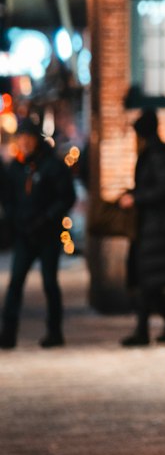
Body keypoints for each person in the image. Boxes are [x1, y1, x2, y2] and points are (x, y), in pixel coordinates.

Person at [0, 119, 77, 350]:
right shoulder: (15, 167)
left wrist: (47, 217)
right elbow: (9, 197)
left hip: (47, 234)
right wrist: (15, 219)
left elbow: (66, 197)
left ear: (36, 140)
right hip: (24, 235)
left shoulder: (52, 166)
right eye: (20, 139)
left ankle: (55, 332)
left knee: (50, 283)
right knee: (15, 284)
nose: (24, 143)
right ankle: (8, 334)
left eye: (27, 138)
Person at [119, 110, 165, 346]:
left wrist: (136, 198)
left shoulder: (157, 154)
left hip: (159, 227)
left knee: (147, 280)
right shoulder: (155, 153)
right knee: (149, 280)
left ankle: (142, 332)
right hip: (153, 226)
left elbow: (163, 188)